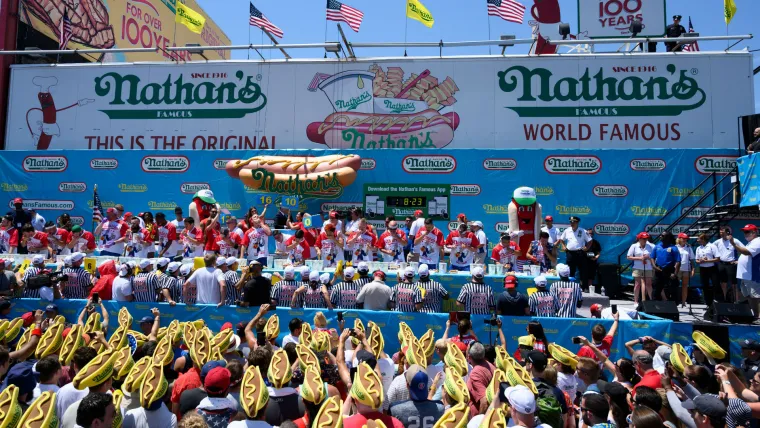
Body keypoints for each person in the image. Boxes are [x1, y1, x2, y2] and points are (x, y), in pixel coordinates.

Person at [730, 224, 760, 317]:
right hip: (745, 275)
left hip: (752, 275)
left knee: (755, 297)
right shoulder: (750, 242)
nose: (745, 234)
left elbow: (746, 252)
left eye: (747, 231)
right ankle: (754, 315)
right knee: (748, 296)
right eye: (744, 232)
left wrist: (734, 244)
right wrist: (738, 262)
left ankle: (757, 317)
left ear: (754, 232)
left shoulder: (758, 241)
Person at [556, 216, 592, 286]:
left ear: (577, 222)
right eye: (571, 222)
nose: (572, 223)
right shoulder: (567, 230)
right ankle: (570, 286)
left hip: (580, 253)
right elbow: (561, 239)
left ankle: (584, 287)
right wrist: (564, 246)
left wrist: (587, 248)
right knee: (570, 271)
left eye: (574, 222)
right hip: (570, 253)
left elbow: (590, 240)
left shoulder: (583, 231)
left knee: (583, 271)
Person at [466, 342, 495, 415]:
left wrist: (479, 421)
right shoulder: (490, 365)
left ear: (469, 357)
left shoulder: (475, 374)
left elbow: (484, 402)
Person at [652, 231, 681, 302]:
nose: (660, 236)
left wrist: (675, 273)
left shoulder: (674, 248)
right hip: (659, 270)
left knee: (672, 289)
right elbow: (652, 257)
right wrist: (654, 266)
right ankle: (655, 306)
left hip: (669, 270)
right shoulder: (657, 246)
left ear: (667, 238)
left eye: (662, 235)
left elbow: (678, 261)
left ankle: (673, 306)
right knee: (656, 288)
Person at [628, 232, 655, 304]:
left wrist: (649, 257)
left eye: (646, 238)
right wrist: (639, 258)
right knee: (637, 284)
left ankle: (652, 300)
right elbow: (628, 257)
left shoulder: (651, 246)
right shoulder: (634, 246)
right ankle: (636, 301)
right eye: (643, 239)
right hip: (637, 267)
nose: (645, 240)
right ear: (639, 239)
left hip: (648, 267)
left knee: (649, 284)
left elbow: (655, 256)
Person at [695, 233, 720, 308]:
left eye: (699, 238)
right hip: (703, 269)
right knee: (705, 286)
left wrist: (707, 261)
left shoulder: (712, 246)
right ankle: (708, 304)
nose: (697, 240)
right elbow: (696, 260)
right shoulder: (698, 248)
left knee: (716, 285)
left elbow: (717, 258)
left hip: (712, 268)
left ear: (703, 239)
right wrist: (700, 261)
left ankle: (718, 302)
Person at [714, 227, 738, 303]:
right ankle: (724, 300)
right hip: (721, 264)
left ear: (727, 232)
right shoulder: (717, 242)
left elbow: (745, 249)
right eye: (720, 232)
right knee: (723, 283)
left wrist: (738, 260)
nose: (721, 233)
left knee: (734, 284)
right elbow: (710, 248)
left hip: (731, 264)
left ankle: (736, 301)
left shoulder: (734, 240)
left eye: (722, 232)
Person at [676, 233, 696, 307]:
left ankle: (684, 302)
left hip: (686, 269)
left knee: (685, 286)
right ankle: (676, 301)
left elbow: (691, 259)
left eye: (685, 239)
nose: (685, 240)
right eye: (683, 238)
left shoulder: (688, 248)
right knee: (676, 285)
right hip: (677, 269)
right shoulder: (675, 247)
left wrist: (693, 269)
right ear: (679, 239)